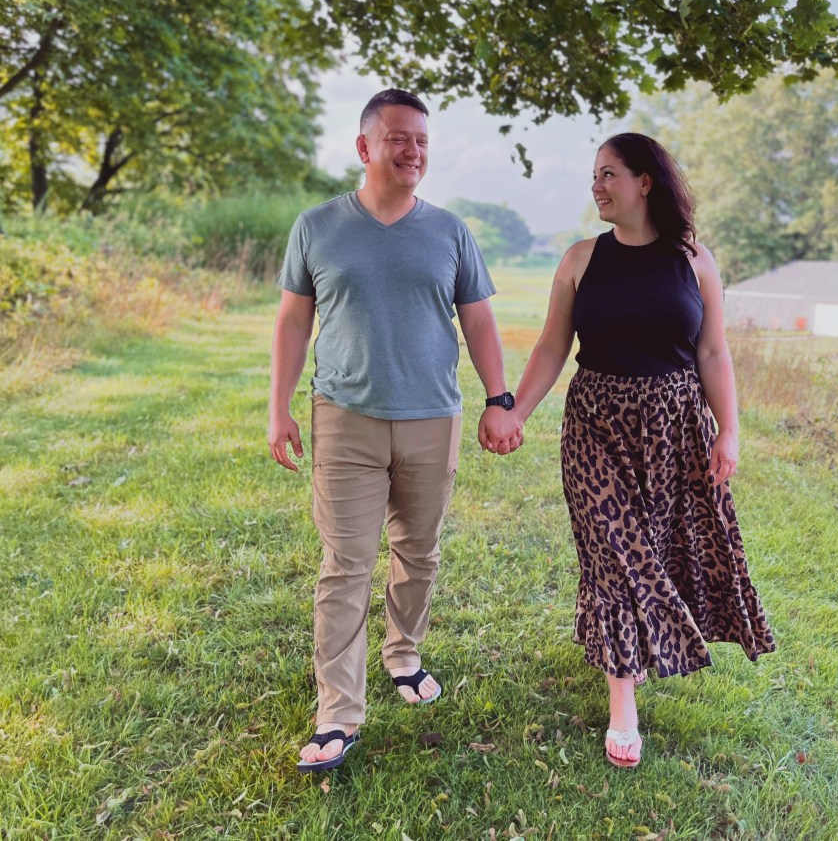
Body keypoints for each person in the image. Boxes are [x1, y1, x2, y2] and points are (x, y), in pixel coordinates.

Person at [483, 133, 775, 768]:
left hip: (673, 428)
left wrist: (729, 430)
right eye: (594, 174)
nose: (597, 185)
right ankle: (623, 706)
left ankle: (636, 646)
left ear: (646, 183)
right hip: (597, 426)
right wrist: (513, 412)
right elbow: (553, 347)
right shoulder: (581, 260)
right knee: (615, 555)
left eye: (609, 173)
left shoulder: (694, 260)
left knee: (659, 549)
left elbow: (713, 353)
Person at [268, 89, 518, 773]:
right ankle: (337, 713)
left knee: (420, 551)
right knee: (344, 566)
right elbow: (293, 321)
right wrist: (278, 406)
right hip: (343, 418)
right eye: (399, 139)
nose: (413, 152)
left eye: (423, 142)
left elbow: (480, 321)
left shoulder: (450, 231)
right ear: (365, 147)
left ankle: (403, 654)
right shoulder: (318, 226)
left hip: (432, 417)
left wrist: (501, 398)